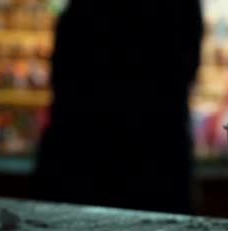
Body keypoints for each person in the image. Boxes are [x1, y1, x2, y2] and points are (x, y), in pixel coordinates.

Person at [32, 1, 203, 214]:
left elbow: (65, 78)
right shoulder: (174, 14)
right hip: (155, 163)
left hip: (80, 162)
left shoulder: (85, 14)